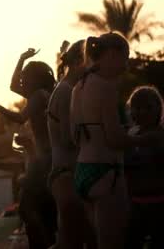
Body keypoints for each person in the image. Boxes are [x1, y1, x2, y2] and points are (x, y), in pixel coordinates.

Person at [70, 33, 162, 249]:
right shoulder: (106, 86)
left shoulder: (78, 87)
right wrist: (146, 138)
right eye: (125, 57)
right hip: (106, 172)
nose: (126, 64)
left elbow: (75, 137)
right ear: (112, 55)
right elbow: (114, 140)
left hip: (83, 172)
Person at [0, 48, 57, 249]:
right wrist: (21, 59)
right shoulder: (45, 93)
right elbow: (13, 85)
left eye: (26, 77)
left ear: (34, 78)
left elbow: (20, 117)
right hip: (46, 157)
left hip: (43, 160)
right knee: (40, 208)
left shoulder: (38, 96)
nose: (22, 82)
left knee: (29, 207)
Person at [47, 40, 95, 249]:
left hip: (64, 172)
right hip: (67, 174)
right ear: (78, 61)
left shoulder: (65, 89)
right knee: (74, 239)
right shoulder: (67, 92)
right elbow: (68, 139)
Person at [123, 86, 164, 248]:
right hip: (135, 205)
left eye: (148, 107)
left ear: (159, 109)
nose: (142, 112)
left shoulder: (159, 135)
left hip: (160, 206)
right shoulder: (131, 133)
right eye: (137, 107)